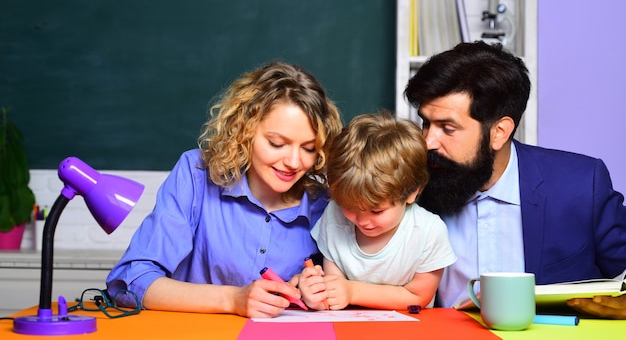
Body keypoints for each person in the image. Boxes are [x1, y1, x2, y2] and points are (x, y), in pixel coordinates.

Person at [404, 41, 626, 319]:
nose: (427, 143)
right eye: (426, 123)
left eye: (447, 128)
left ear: (499, 132)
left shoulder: (581, 185)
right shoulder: (405, 185)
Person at [106, 62, 342, 318]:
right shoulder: (196, 175)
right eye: (277, 144)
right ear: (245, 131)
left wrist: (313, 292)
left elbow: (348, 293)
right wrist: (233, 299)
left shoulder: (325, 204)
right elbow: (131, 281)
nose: (295, 162)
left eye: (308, 148)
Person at [298, 111, 456, 311]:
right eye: (349, 207)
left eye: (377, 211)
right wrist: (317, 293)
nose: (363, 221)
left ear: (411, 192)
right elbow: (333, 291)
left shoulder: (429, 232)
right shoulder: (334, 214)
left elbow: (417, 296)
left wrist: (352, 291)